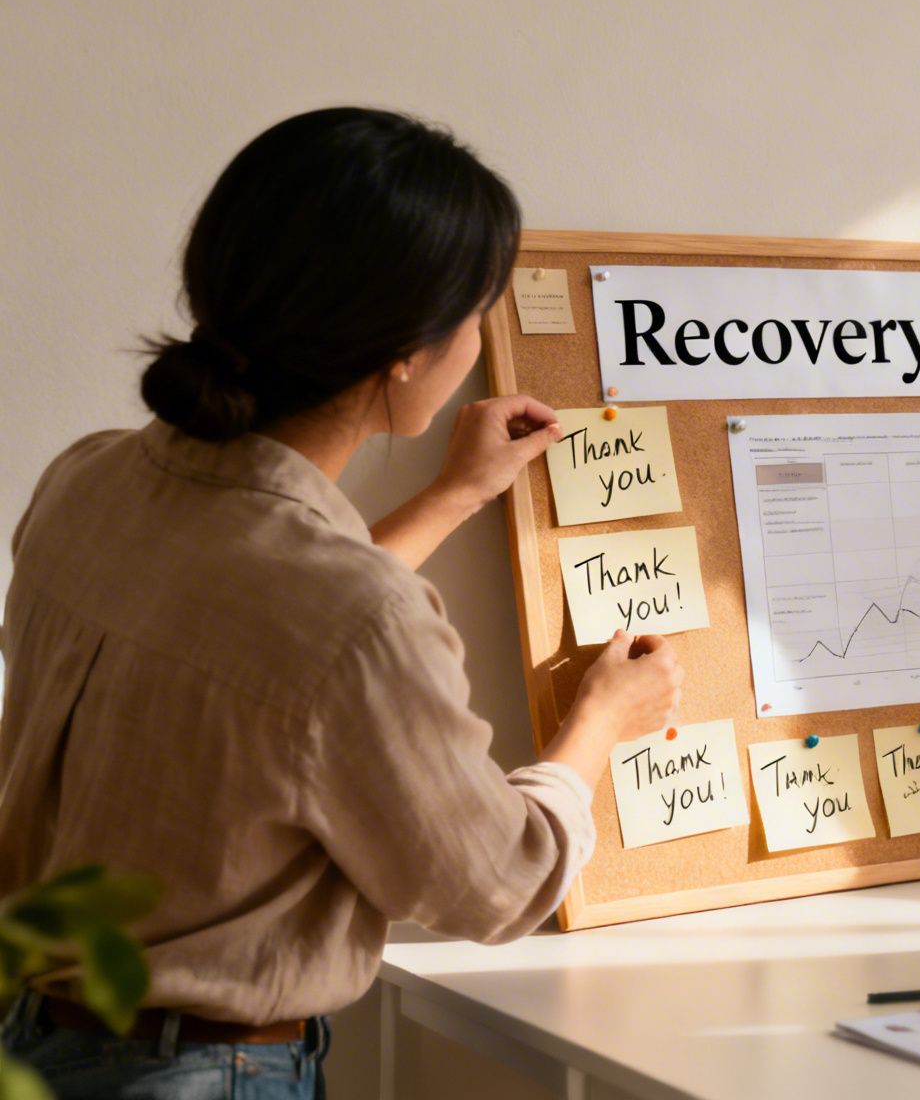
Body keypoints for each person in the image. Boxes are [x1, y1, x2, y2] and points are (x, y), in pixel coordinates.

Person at [0, 107, 683, 1098]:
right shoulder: (350, 616)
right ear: (406, 350)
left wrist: (453, 496)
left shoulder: (88, 482)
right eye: (476, 310)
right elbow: (497, 883)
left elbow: (263, 642)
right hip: (203, 1073)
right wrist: (598, 727)